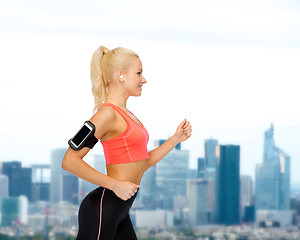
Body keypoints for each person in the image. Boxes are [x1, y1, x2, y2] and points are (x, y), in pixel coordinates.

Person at [62, 46, 192, 240]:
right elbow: (69, 161)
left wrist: (175, 139)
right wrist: (115, 185)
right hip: (102, 209)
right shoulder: (106, 114)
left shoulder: (129, 116)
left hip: (120, 210)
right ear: (121, 75)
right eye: (139, 73)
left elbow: (142, 164)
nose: (144, 79)